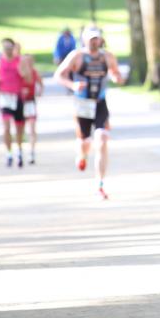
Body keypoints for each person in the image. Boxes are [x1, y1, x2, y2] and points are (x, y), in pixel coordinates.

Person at [54, 26, 125, 199]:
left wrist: (117, 77)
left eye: (97, 38)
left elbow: (116, 73)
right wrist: (73, 86)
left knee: (102, 138)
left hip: (100, 103)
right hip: (82, 104)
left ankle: (100, 184)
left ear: (101, 40)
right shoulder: (77, 56)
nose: (94, 41)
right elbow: (59, 75)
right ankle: (82, 154)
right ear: (85, 40)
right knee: (85, 142)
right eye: (91, 38)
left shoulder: (107, 56)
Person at [0, 38, 32, 167]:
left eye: (9, 48)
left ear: (13, 48)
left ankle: (19, 151)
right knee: (6, 127)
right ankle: (8, 153)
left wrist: (22, 72)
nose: (7, 50)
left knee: (19, 128)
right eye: (5, 48)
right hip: (5, 97)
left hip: (17, 97)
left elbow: (29, 79)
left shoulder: (20, 61)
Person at [21, 54, 43, 164]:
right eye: (26, 61)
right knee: (21, 129)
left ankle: (32, 151)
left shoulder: (34, 72)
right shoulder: (19, 72)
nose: (28, 63)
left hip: (30, 103)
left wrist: (39, 92)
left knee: (32, 128)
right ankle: (20, 150)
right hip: (20, 103)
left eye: (30, 61)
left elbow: (40, 83)